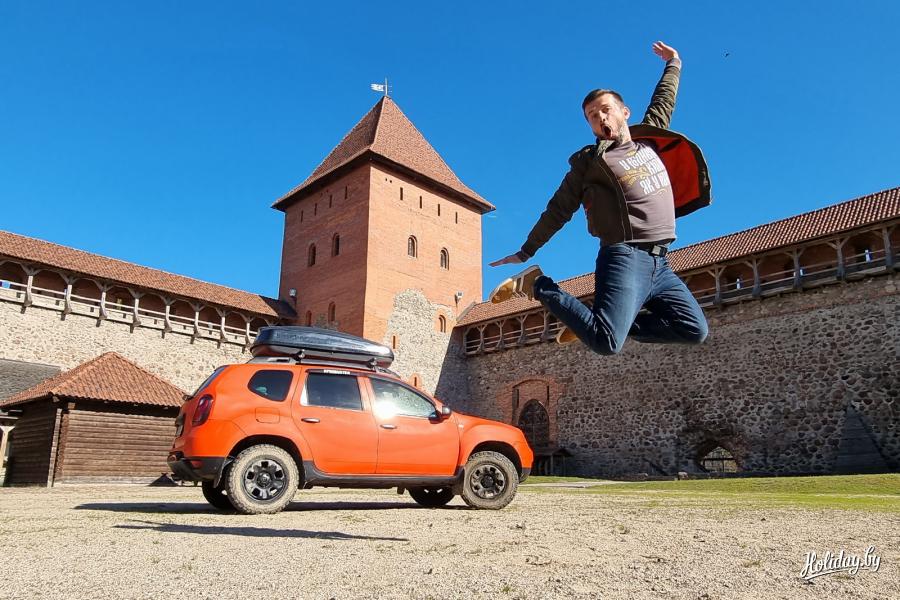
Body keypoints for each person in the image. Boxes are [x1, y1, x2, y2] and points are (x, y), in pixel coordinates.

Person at [489, 41, 711, 355]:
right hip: (624, 256)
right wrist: (526, 251)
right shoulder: (591, 162)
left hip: (660, 263)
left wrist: (673, 63)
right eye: (592, 116)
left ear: (624, 112)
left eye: (605, 110)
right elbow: (559, 208)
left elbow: (663, 101)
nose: (600, 118)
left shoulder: (648, 140)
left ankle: (593, 319)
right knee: (607, 343)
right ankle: (537, 284)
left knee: (694, 329)